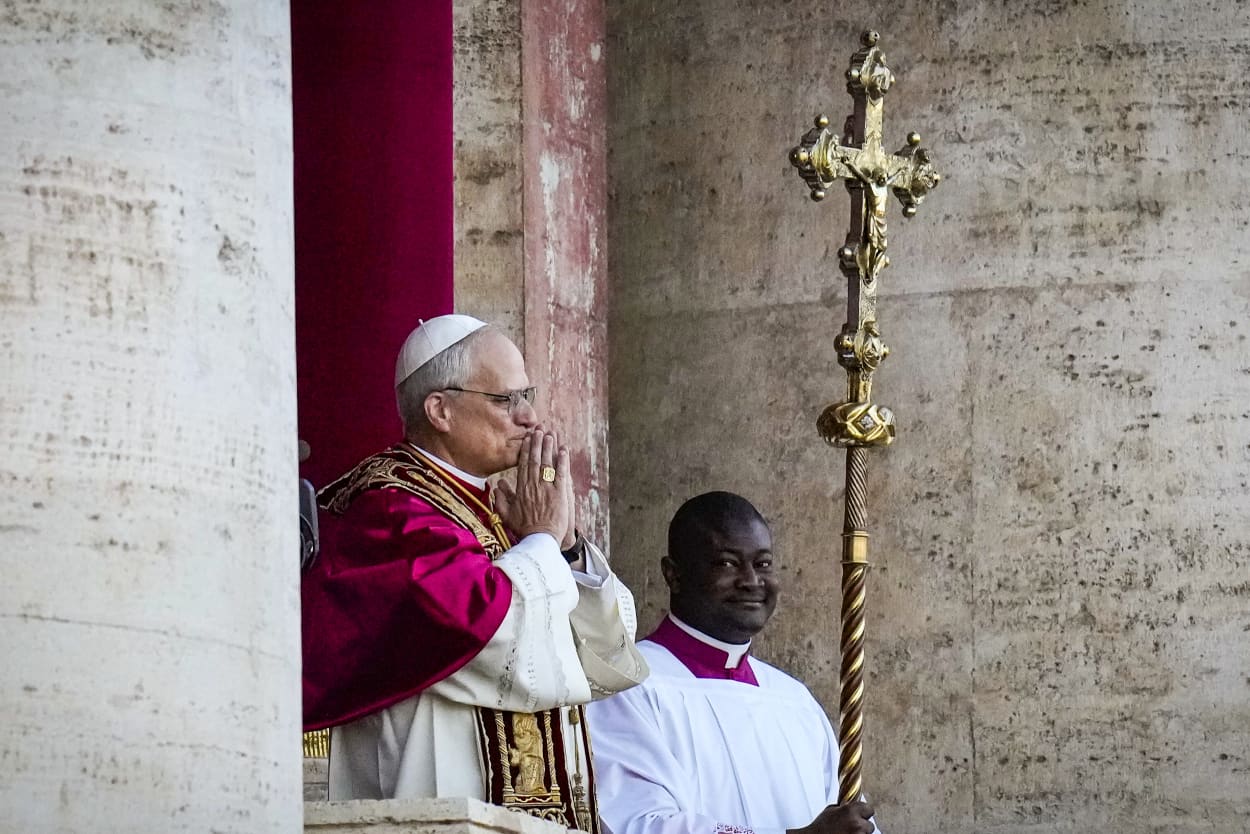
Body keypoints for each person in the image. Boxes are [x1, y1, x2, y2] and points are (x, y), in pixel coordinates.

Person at [301, 314, 647, 832]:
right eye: (506, 400)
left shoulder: (503, 512)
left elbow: (601, 657)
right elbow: (477, 625)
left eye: (526, 394)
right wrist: (542, 541)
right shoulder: (391, 507)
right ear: (439, 409)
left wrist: (567, 544)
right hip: (436, 797)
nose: (529, 417)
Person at [586, 492, 880, 834]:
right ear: (673, 575)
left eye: (763, 563)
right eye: (727, 563)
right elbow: (638, 824)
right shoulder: (629, 685)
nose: (752, 581)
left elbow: (848, 817)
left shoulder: (794, 700)